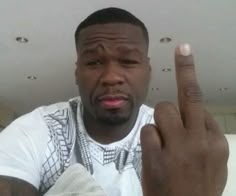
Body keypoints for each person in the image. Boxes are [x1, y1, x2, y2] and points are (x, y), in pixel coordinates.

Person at [0, 7, 228, 196]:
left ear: (148, 72)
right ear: (77, 73)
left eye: (128, 61)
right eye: (94, 62)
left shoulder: (174, 144)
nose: (111, 77)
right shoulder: (36, 130)